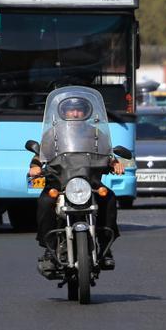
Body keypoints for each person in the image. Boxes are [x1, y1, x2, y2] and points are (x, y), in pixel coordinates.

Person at [31, 95, 124, 268]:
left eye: (79, 110)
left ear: (86, 112)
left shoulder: (96, 133)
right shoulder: (53, 133)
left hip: (90, 183)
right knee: (45, 202)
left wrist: (115, 163)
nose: (75, 113)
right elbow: (40, 155)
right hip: (59, 182)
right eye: (71, 110)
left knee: (109, 197)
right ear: (63, 112)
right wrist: (35, 167)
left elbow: (108, 154)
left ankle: (105, 248)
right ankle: (50, 250)